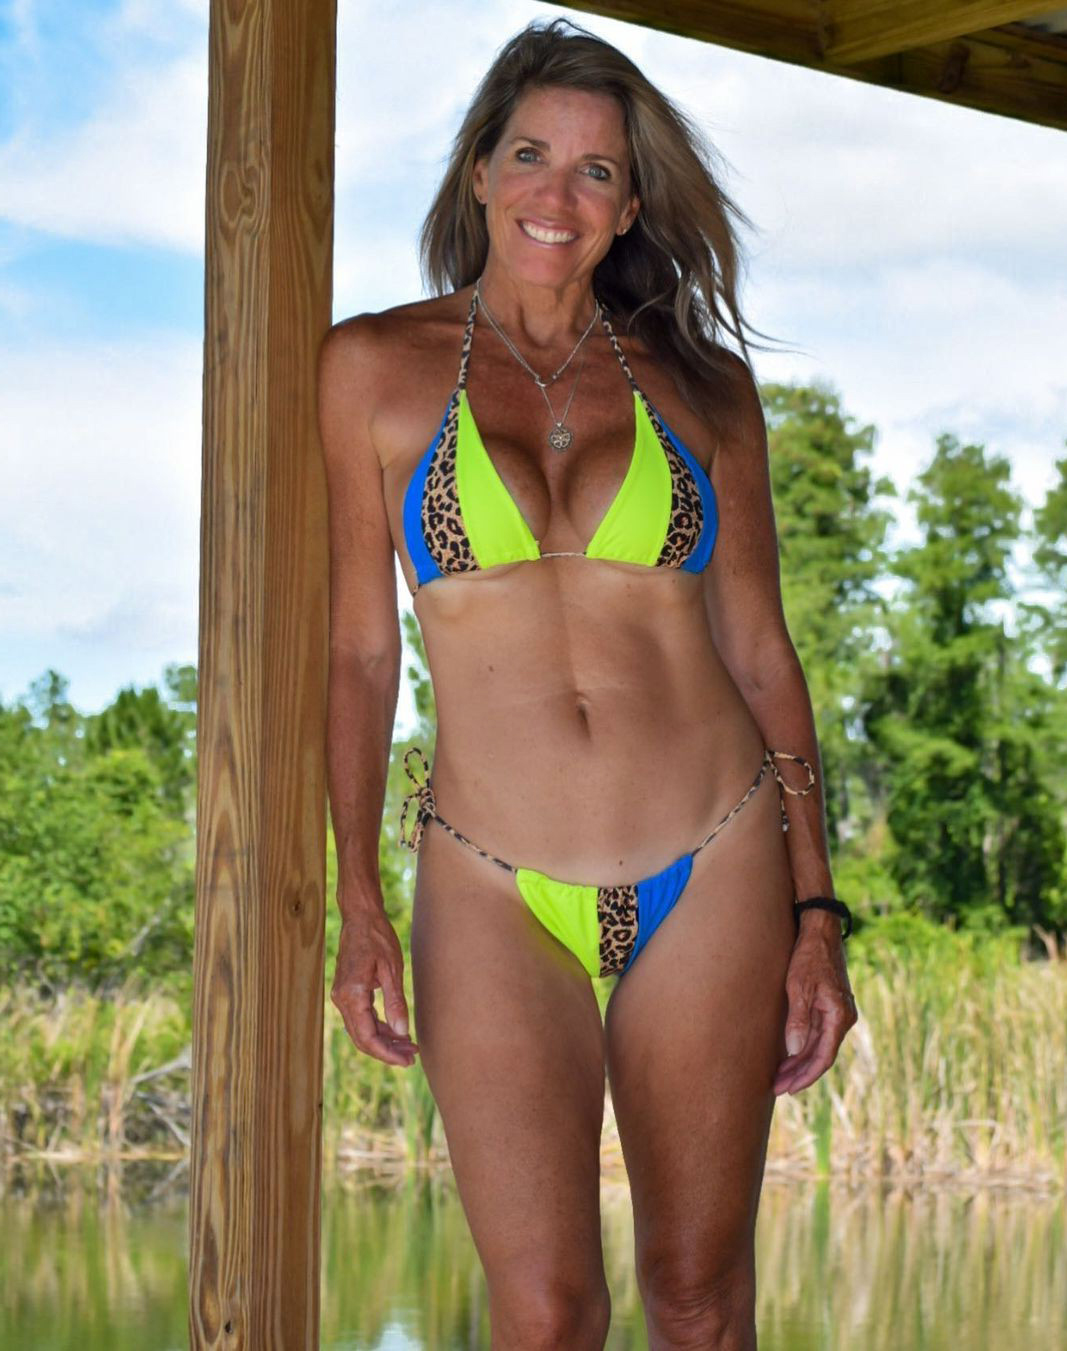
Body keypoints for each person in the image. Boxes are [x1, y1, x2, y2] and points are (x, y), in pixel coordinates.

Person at [317, 17, 857, 1350]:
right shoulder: (372, 368)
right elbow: (360, 653)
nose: (557, 193)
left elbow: (762, 652)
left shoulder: (704, 387)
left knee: (699, 1302)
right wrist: (357, 898)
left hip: (713, 856)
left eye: (596, 170)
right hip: (489, 880)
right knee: (548, 1314)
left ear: (627, 208)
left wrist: (817, 915)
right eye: (531, 156)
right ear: (479, 174)